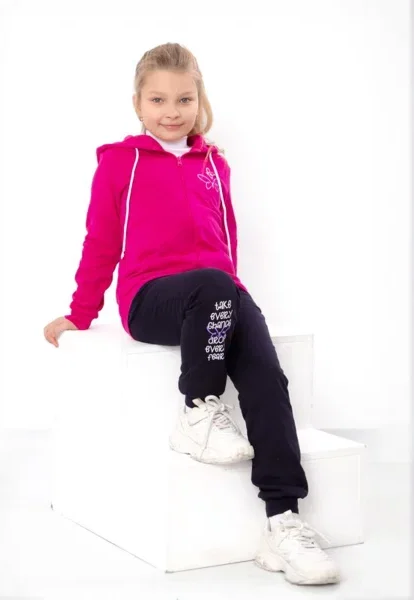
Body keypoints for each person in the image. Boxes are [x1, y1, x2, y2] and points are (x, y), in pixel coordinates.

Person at [44, 42, 340, 586]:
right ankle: (197, 411)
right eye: (158, 99)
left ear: (199, 99)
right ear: (138, 103)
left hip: (217, 296)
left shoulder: (214, 164)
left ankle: (283, 521)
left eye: (184, 98)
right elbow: (101, 241)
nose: (171, 111)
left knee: (267, 377)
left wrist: (236, 305)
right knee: (212, 284)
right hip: (150, 299)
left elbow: (226, 240)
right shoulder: (120, 162)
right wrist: (80, 313)